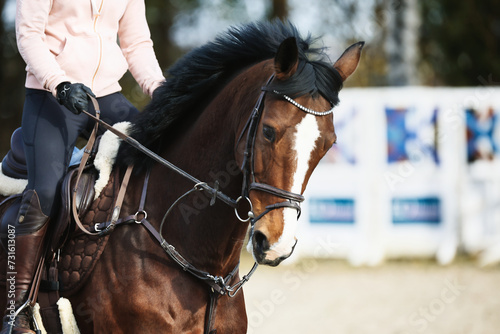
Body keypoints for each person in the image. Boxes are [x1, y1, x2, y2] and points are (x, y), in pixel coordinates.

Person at [2, 0, 165, 332]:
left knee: (159, 159)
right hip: (52, 97)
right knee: (45, 190)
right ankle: (15, 307)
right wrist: (59, 82)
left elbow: (136, 45)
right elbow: (29, 34)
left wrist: (161, 91)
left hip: (107, 96)